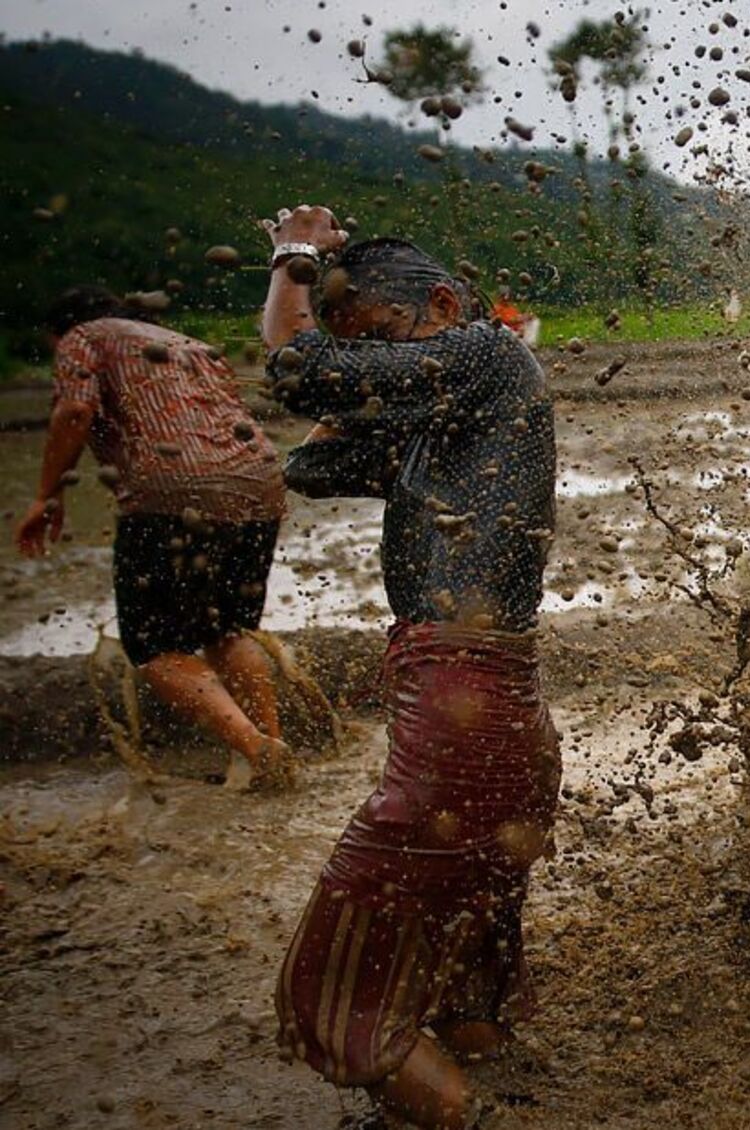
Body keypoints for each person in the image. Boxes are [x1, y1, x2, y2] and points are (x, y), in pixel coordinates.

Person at [259, 207, 560, 1130]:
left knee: (336, 1000)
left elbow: (300, 368)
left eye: (384, 344)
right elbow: (311, 467)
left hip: (460, 715)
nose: (376, 372)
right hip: (500, 723)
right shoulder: (444, 412)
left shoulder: (487, 353)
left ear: (439, 303)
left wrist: (295, 262)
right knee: (467, 969)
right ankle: (480, 1079)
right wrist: (368, 382)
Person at [15, 286, 295, 790]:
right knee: (228, 630)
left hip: (173, 489)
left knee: (155, 646)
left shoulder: (84, 338)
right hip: (258, 484)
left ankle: (255, 749)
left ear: (61, 331)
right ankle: (270, 751)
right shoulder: (185, 343)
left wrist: (44, 496)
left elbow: (74, 413)